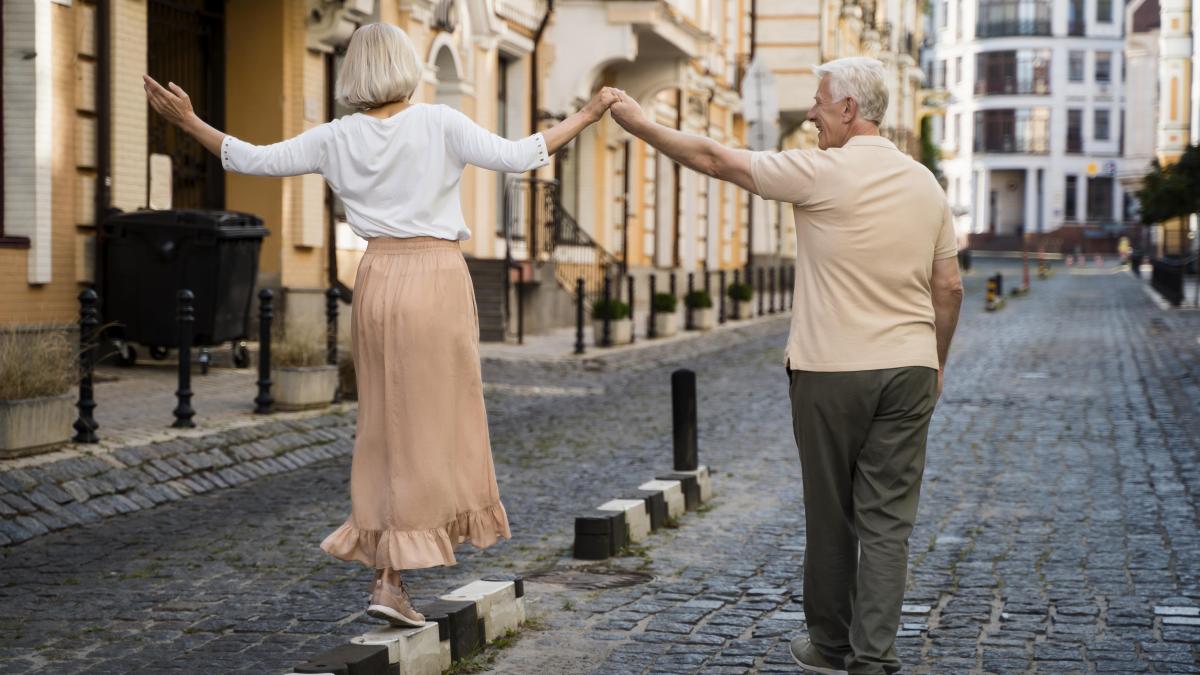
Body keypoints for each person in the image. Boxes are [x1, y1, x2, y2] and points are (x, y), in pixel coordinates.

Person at [144, 22, 615, 627]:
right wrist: (591, 111)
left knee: (386, 425)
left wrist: (189, 122)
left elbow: (252, 159)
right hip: (436, 276)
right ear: (406, 66)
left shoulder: (337, 138)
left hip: (377, 278)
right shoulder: (440, 122)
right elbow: (521, 155)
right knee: (436, 421)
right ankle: (394, 574)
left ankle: (388, 573)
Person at [605, 56, 963, 674]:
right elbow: (949, 288)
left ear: (849, 109)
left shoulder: (821, 172)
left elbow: (715, 159)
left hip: (831, 370)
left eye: (821, 102)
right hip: (908, 368)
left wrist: (640, 125)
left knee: (832, 518)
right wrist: (933, 363)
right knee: (887, 522)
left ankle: (830, 647)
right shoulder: (926, 184)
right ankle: (873, 658)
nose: (812, 115)